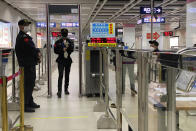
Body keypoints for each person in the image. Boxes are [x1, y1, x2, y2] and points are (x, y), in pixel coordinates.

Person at [15, 19, 41, 112]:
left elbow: (32, 48)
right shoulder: (22, 37)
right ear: (21, 26)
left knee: (31, 84)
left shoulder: (25, 36)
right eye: (26, 25)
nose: (27, 26)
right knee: (27, 84)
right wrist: (37, 53)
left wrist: (37, 52)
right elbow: (30, 49)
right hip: (26, 65)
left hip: (30, 63)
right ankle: (25, 105)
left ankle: (30, 101)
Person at [54, 28, 74, 98]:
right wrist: (62, 50)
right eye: (63, 33)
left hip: (68, 60)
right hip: (61, 60)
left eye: (65, 33)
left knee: (67, 75)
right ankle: (59, 91)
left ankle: (66, 89)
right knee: (61, 75)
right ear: (61, 34)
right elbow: (55, 51)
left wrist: (67, 50)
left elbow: (72, 49)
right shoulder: (58, 42)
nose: (64, 35)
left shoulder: (70, 41)